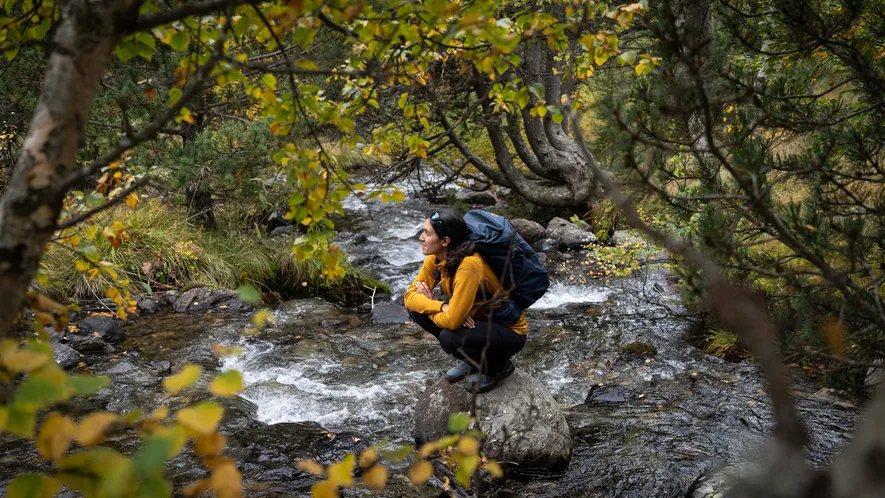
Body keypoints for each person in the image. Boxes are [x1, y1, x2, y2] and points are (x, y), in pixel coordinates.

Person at [403, 209, 528, 393]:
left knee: (449, 337)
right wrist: (441, 306)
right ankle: (472, 361)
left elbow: (452, 322)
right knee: (417, 312)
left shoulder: (469, 266)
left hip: (508, 331)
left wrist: (446, 311)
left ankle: (498, 368)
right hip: (478, 320)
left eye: (427, 233)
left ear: (445, 241)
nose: (421, 238)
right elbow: (409, 297)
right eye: (423, 232)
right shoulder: (436, 259)